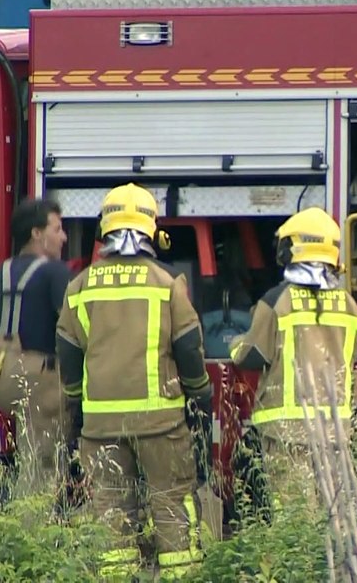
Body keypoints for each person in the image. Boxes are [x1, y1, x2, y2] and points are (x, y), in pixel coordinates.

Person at [56, 183, 211, 580]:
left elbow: (69, 356)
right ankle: (182, 577)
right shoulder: (167, 284)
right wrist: (200, 395)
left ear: (101, 231)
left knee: (110, 510)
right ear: (152, 230)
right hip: (161, 424)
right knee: (172, 501)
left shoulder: (79, 288)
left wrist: (76, 406)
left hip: (100, 425)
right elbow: (189, 350)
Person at [229, 207, 357, 508]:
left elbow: (250, 356)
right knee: (336, 514)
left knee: (296, 518)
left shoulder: (277, 300)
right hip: (335, 430)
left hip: (287, 431)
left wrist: (235, 343)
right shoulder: (350, 306)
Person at [0, 198, 72, 498]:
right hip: (37, 374)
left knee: (28, 442)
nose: (64, 237)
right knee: (43, 465)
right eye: (57, 229)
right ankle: (34, 532)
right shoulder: (55, 273)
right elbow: (74, 323)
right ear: (36, 233)